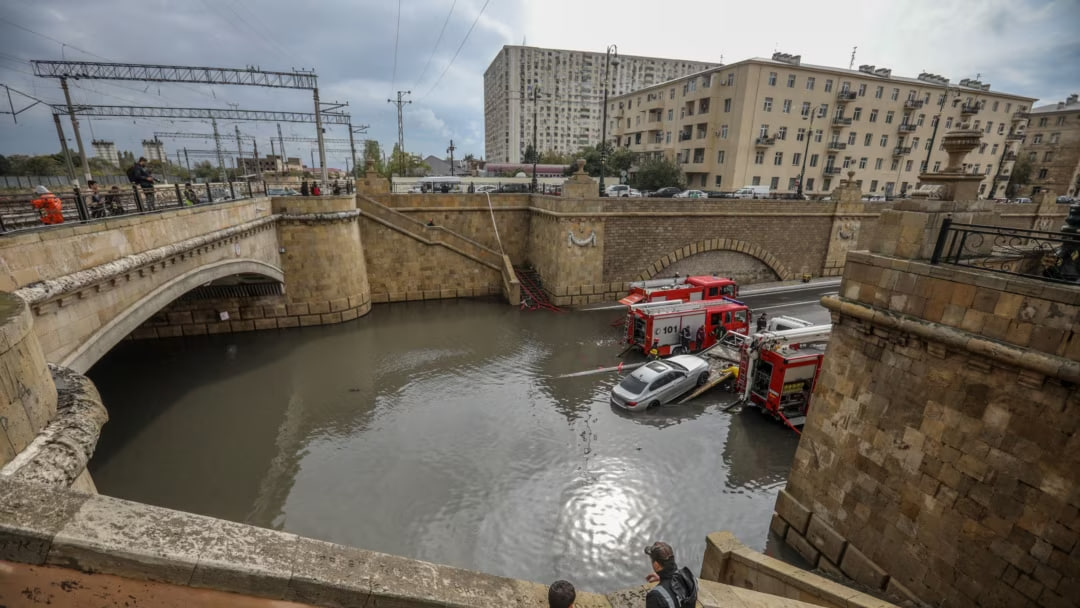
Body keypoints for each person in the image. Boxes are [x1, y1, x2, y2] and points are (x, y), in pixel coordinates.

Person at [643, 542, 698, 608]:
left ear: (656, 565)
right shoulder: (688, 578)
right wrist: (663, 579)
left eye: (652, 560)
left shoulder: (655, 597)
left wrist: (664, 583)